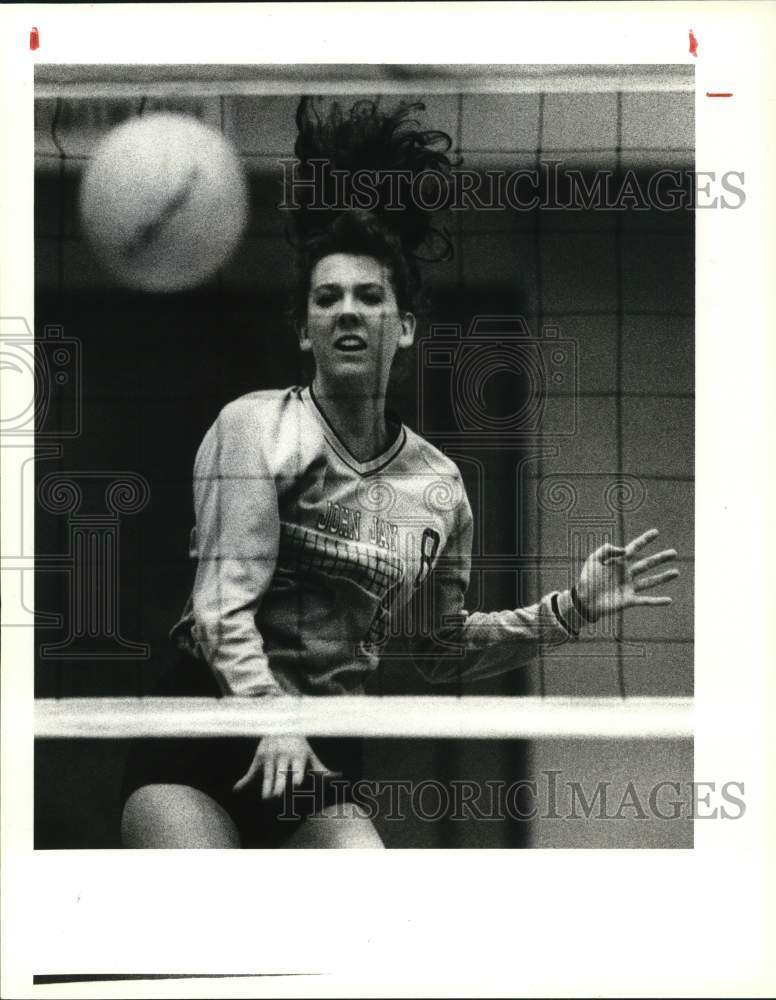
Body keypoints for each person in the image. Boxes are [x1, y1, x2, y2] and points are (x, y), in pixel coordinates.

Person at [121, 98, 679, 849]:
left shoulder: (437, 485)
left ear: (406, 325)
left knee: (366, 914)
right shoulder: (255, 427)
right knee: (209, 926)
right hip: (207, 733)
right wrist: (270, 716)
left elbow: (439, 646)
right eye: (327, 299)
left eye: (369, 296)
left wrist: (569, 610)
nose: (348, 311)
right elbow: (223, 607)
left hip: (321, 755)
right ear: (304, 328)